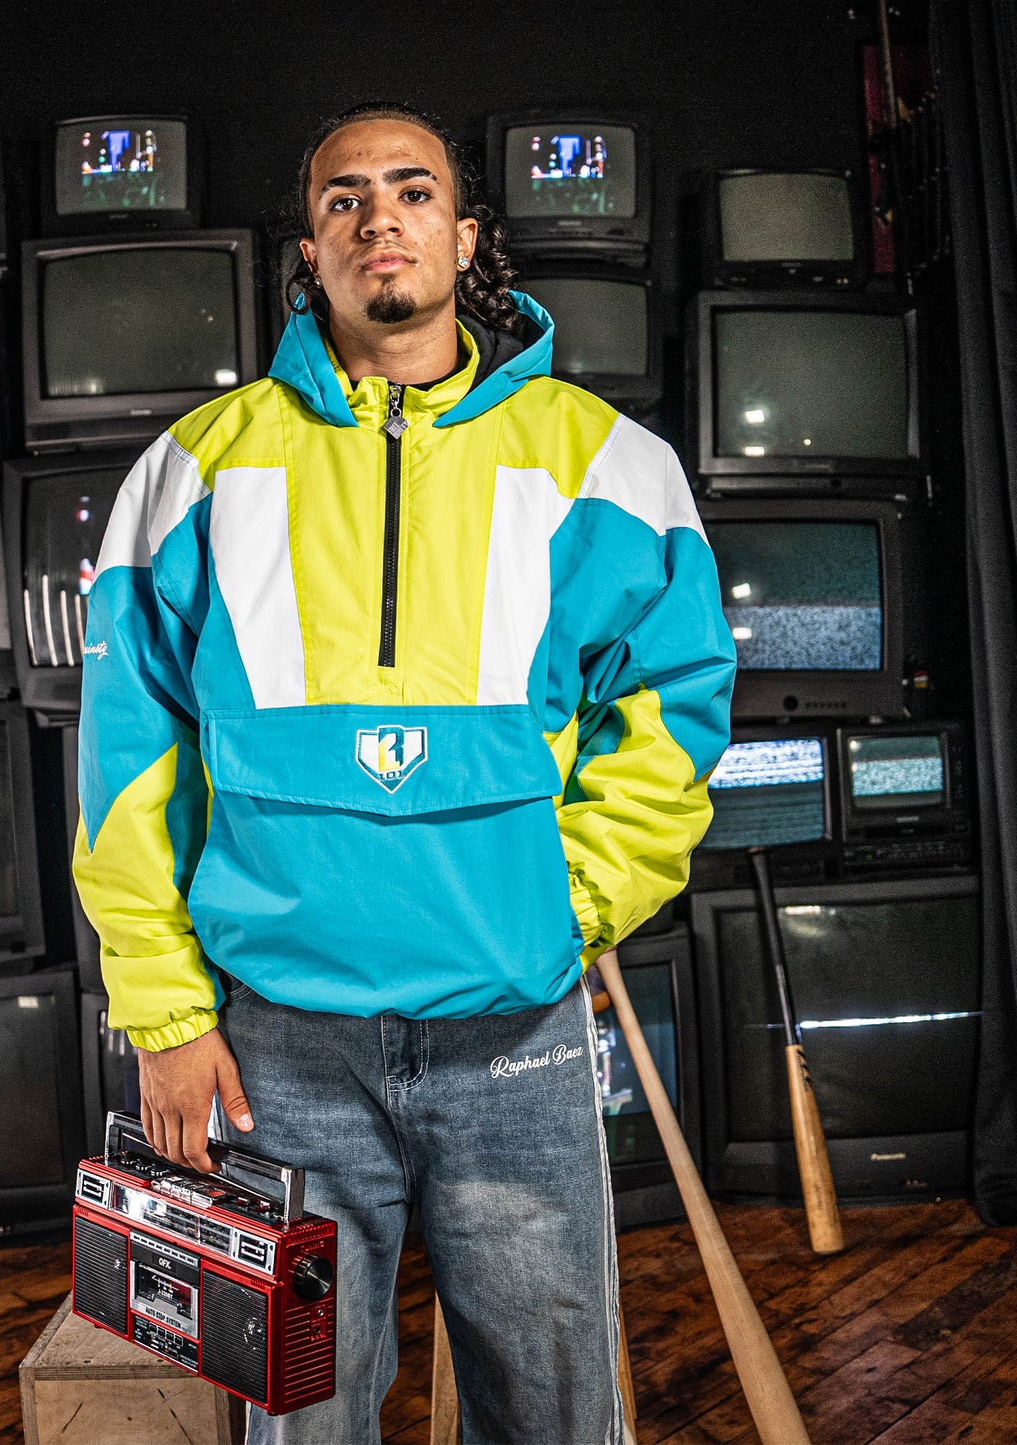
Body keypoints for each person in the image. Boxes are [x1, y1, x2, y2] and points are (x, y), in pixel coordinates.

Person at [73, 101, 736, 1445]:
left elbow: (672, 715)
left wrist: (565, 905)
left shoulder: (609, 466)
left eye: (413, 190)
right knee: (300, 1417)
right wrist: (161, 1012)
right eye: (343, 199)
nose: (379, 216)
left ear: (465, 234)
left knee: (553, 1413)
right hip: (275, 1052)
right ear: (307, 252)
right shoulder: (191, 474)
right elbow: (127, 758)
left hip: (516, 1033)